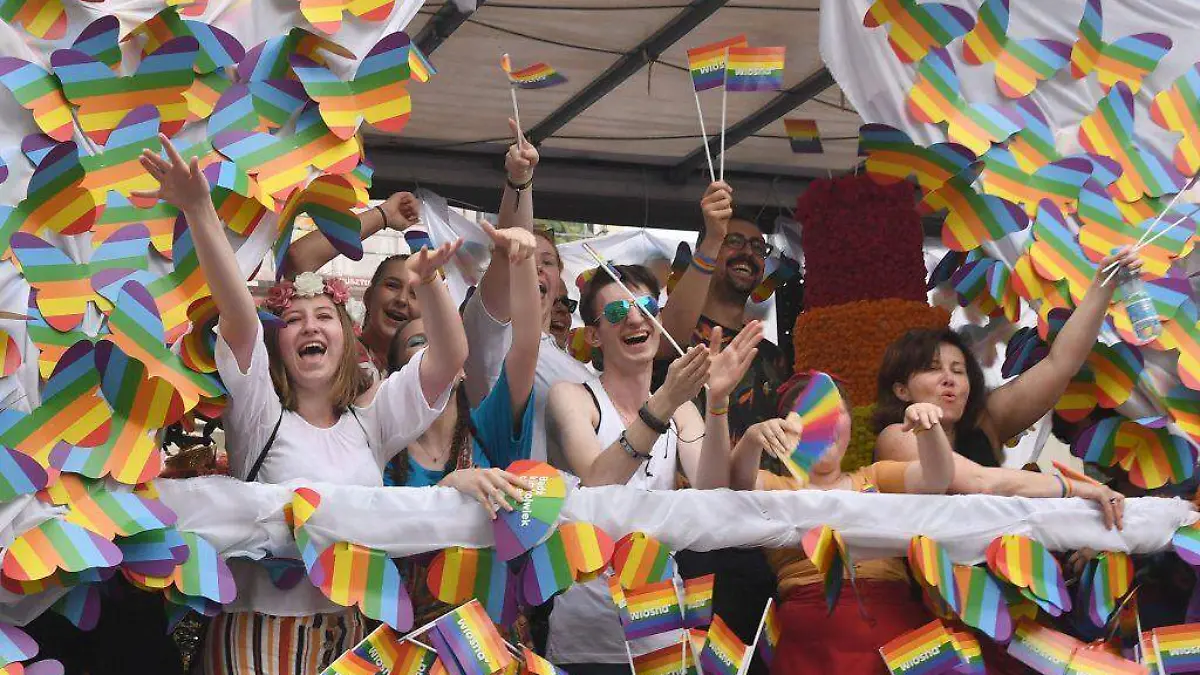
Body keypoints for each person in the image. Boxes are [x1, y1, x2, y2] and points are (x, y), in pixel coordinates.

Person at [133, 136, 498, 675]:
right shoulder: (259, 412)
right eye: (297, 319)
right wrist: (199, 207)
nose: (311, 325)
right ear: (278, 343)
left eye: (325, 316)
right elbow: (236, 308)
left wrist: (430, 284)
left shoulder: (371, 421)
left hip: (351, 633)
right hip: (257, 635)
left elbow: (448, 360)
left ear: (347, 337)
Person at [544, 264, 762, 673]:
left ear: (658, 322)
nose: (633, 317)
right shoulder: (572, 396)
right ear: (593, 335)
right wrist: (663, 402)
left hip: (661, 631)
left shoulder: (681, 409)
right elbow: (598, 481)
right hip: (586, 636)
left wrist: (716, 403)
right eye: (614, 313)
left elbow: (712, 490)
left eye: (645, 306)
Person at [874, 248, 1138, 527]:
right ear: (901, 390)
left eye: (958, 370)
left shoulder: (985, 422)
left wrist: (1103, 285)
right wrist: (1075, 487)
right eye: (932, 368)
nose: (949, 379)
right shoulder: (897, 435)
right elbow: (979, 482)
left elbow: (1060, 364)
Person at [730, 372, 955, 675]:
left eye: (834, 412)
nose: (821, 424)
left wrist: (930, 429)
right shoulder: (776, 487)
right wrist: (752, 440)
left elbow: (936, 478)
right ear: (783, 429)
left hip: (896, 631)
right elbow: (734, 485)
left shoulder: (875, 477)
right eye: (807, 414)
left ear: (850, 422)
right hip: (810, 637)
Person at [656, 181, 788, 664]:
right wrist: (712, 241)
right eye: (737, 241)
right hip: (697, 536)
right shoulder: (678, 338)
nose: (748, 253)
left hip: (759, 535)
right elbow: (667, 327)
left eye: (758, 247)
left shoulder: (772, 355)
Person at [462, 120, 593, 465]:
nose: (533, 266)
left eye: (546, 261)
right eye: (527, 257)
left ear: (560, 282)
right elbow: (510, 257)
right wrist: (519, 181)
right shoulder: (493, 333)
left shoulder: (586, 374)